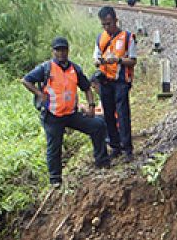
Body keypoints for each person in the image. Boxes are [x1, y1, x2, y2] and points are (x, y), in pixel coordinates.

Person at [21, 37, 111, 187]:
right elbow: (26, 80)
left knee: (98, 125)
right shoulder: (46, 68)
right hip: (52, 115)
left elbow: (87, 87)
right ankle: (55, 179)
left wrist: (91, 106)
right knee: (54, 146)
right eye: (58, 50)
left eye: (64, 50)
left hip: (70, 114)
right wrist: (39, 93)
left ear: (68, 51)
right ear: (53, 51)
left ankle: (102, 161)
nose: (61, 53)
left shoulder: (74, 69)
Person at [94, 7, 137, 160]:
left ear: (115, 20)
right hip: (105, 81)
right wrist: (99, 62)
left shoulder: (127, 37)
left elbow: (133, 60)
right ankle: (115, 146)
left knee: (123, 114)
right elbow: (96, 58)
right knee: (109, 115)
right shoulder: (100, 38)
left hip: (121, 82)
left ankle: (127, 149)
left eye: (109, 23)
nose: (107, 27)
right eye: (104, 25)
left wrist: (118, 60)